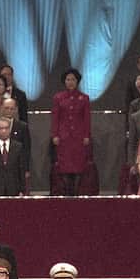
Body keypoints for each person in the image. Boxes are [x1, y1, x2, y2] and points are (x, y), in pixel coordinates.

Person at [51, 68, 91, 196]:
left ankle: (76, 194)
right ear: (64, 81)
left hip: (78, 138)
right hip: (64, 138)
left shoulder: (84, 98)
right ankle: (67, 193)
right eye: (68, 79)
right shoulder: (58, 97)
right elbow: (55, 117)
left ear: (77, 81)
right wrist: (55, 135)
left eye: (73, 79)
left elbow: (87, 119)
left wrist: (86, 135)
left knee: (78, 167)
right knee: (64, 167)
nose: (70, 82)